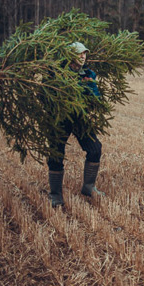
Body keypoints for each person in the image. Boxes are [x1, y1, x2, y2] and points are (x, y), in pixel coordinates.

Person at [47, 42, 105, 207]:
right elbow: (48, 94)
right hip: (59, 119)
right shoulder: (57, 73)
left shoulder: (88, 73)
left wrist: (89, 90)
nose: (83, 56)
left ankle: (88, 187)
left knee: (95, 148)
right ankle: (55, 195)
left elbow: (97, 98)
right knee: (55, 155)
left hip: (80, 118)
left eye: (85, 53)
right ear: (70, 55)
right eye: (79, 53)